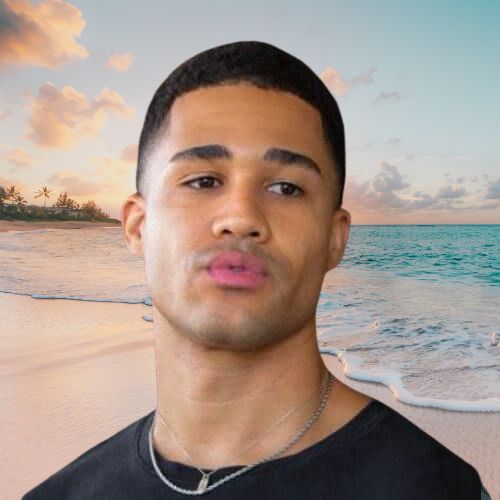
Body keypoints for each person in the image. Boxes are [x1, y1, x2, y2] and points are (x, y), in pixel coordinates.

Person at [22, 41, 481, 499]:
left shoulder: (437, 489)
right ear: (138, 226)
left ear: (334, 238)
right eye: (203, 181)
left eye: (286, 188)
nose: (241, 217)